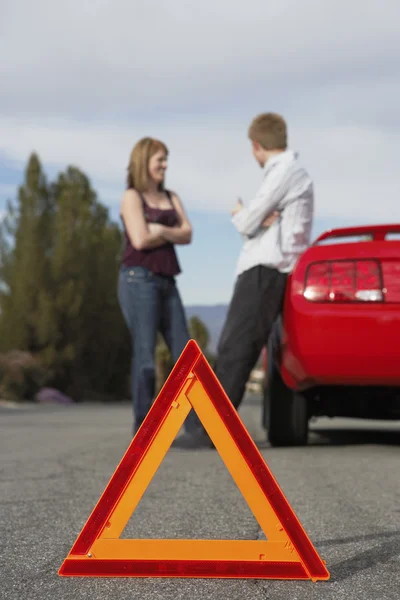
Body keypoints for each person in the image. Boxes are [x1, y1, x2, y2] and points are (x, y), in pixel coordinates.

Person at [174, 112, 314, 448]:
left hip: (265, 270)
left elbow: (248, 222)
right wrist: (260, 218)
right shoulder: (289, 174)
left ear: (256, 146)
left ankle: (208, 432)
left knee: (237, 348)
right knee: (235, 347)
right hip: (268, 269)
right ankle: (204, 426)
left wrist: (242, 212)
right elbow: (259, 220)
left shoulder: (284, 173)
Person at [118, 137, 200, 436]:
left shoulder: (171, 196)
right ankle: (143, 428)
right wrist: (173, 232)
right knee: (145, 355)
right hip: (138, 280)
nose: (165, 165)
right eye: (159, 160)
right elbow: (139, 239)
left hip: (167, 281)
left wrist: (162, 230)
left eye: (166, 160)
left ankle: (195, 428)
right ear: (144, 162)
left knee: (185, 354)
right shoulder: (132, 197)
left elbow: (188, 233)